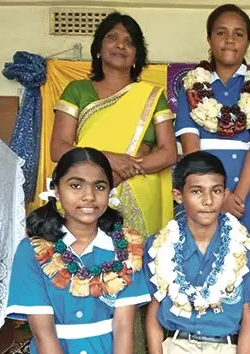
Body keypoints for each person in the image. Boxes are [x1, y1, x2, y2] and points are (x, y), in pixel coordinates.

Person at [5, 147, 151, 354]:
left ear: (109, 191)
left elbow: (123, 327)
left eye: (99, 186)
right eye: (75, 185)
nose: (89, 196)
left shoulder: (126, 249)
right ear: (56, 190)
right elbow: (44, 334)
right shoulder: (32, 251)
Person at [50, 11, 177, 239]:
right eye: (112, 38)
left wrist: (125, 170)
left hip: (140, 192)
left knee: (138, 262)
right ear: (98, 48)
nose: (121, 45)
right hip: (86, 188)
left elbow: (168, 154)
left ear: (137, 55)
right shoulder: (77, 90)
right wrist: (107, 161)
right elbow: (59, 148)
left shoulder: (152, 96)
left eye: (129, 42)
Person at [174, 4, 250, 248]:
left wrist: (235, 197)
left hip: (249, 192)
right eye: (221, 33)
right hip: (203, 190)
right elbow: (191, 149)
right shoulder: (191, 87)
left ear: (248, 42)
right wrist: (219, 197)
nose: (230, 40)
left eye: (238, 34)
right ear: (209, 39)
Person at [144, 151, 250, 354]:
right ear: (178, 195)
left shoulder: (244, 248)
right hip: (175, 350)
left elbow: (248, 315)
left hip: (226, 352)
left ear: (225, 194)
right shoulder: (158, 246)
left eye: (216, 191)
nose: (208, 201)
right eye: (197, 191)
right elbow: (154, 310)